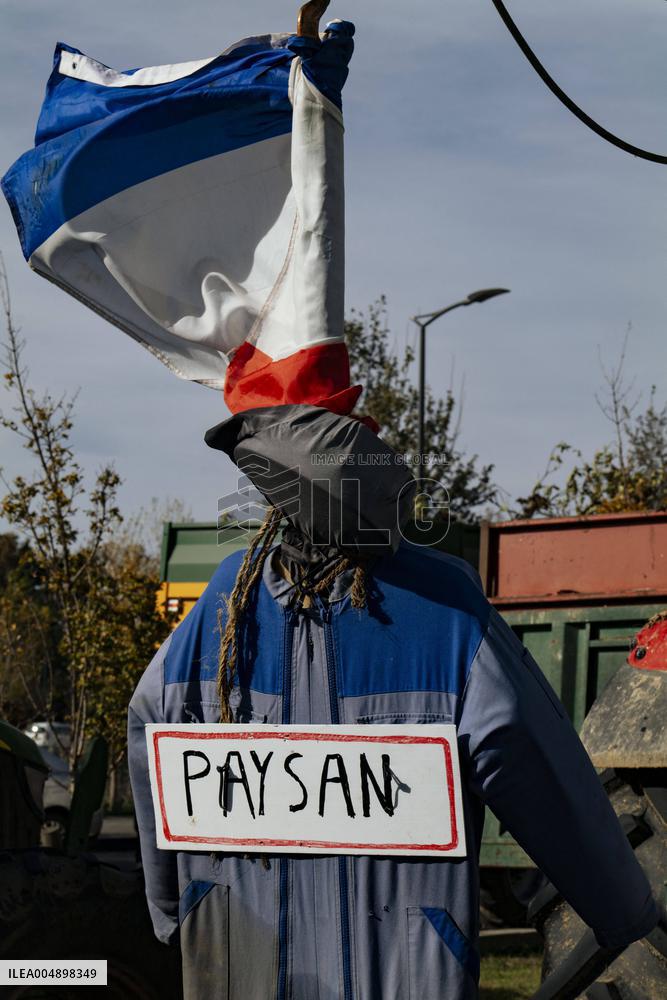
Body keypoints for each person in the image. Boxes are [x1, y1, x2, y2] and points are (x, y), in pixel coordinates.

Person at [128, 403, 658, 1000]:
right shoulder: (442, 607)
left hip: (241, 958)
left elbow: (150, 731)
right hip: (394, 969)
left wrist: (176, 906)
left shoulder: (227, 597)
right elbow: (539, 760)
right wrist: (621, 906)